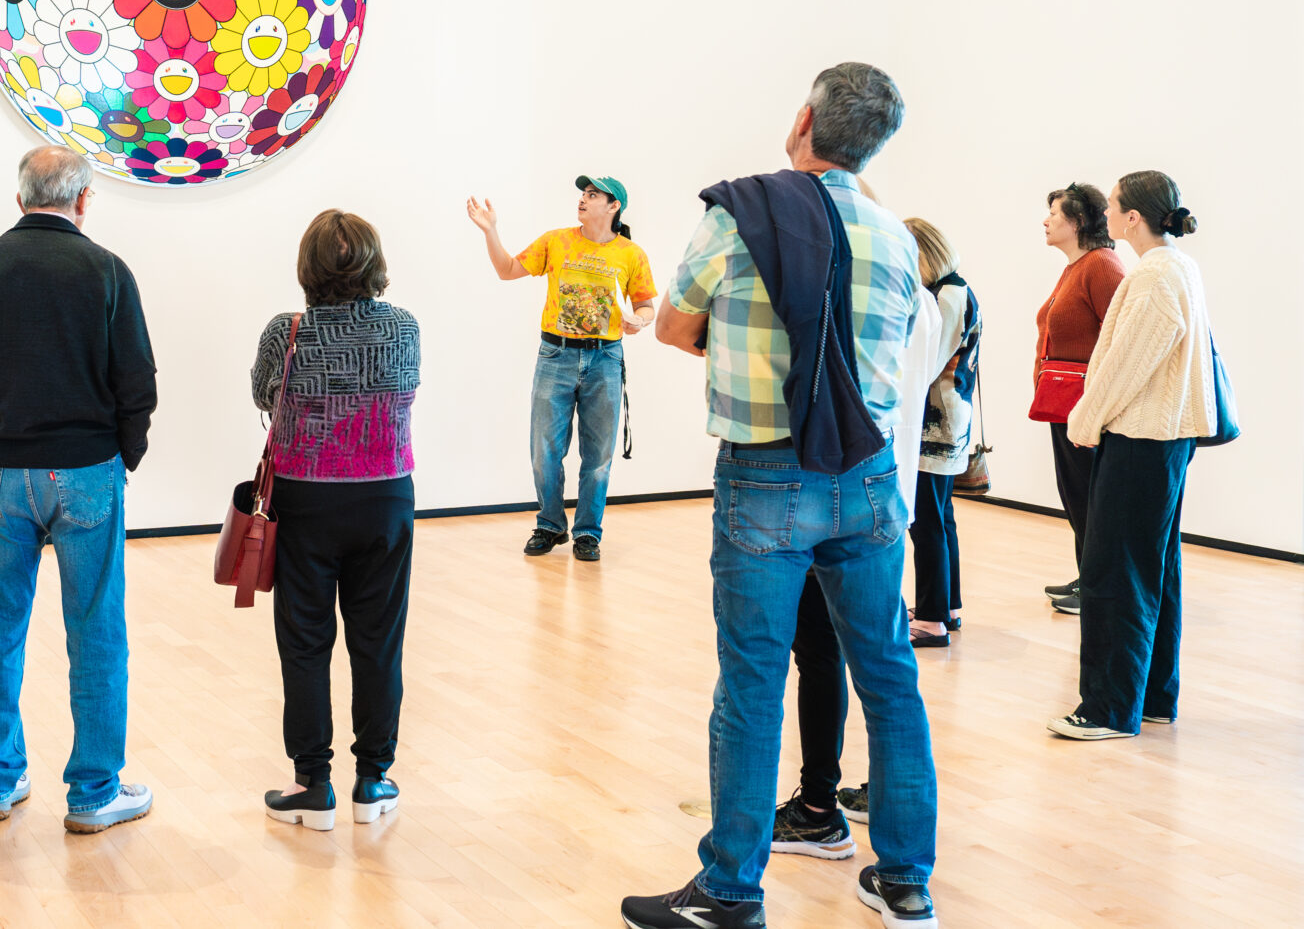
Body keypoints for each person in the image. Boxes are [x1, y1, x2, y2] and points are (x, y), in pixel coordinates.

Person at [623, 63, 940, 929]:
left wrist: (741, 344)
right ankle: (905, 879)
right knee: (890, 674)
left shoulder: (739, 214)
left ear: (803, 119)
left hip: (765, 474)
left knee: (753, 680)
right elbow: (891, 346)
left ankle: (730, 889)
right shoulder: (896, 237)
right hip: (869, 480)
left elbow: (673, 323)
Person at [0, 146, 158, 832]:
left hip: (4, 473)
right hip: (88, 471)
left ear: (21, 197)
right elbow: (137, 384)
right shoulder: (106, 270)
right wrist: (123, 456)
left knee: (0, 624)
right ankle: (93, 792)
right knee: (96, 630)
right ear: (83, 200)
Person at [775, 191, 949, 855]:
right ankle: (882, 814)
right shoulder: (922, 302)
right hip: (887, 494)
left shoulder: (853, 291)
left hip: (836, 490)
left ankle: (820, 806)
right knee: (883, 665)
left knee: (822, 653)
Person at [252, 210, 421, 831]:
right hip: (385, 498)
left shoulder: (287, 330)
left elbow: (262, 394)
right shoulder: (403, 326)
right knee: (378, 641)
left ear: (309, 267)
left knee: (305, 642)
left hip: (306, 501)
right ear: (374, 263)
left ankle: (312, 783)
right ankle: (373, 779)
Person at [1048, 171, 1213, 741]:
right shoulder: (1178, 268)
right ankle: (1152, 698)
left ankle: (1107, 710)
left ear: (1133, 218)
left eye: (1114, 205)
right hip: (1163, 441)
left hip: (1141, 438)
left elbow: (1127, 364)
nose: (1107, 213)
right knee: (1153, 569)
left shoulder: (1154, 275)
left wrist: (1085, 419)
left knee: (1113, 572)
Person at [465, 176, 657, 561]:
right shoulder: (556, 241)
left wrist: (639, 320)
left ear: (614, 206)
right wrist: (490, 231)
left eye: (593, 195)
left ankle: (588, 532)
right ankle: (550, 524)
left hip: (605, 359)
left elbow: (646, 305)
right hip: (556, 356)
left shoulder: (631, 254)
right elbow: (508, 270)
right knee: (544, 452)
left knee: (598, 457)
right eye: (583, 194)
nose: (583, 199)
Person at [1035, 183, 1125, 614]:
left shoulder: (1101, 265)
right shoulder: (1076, 267)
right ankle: (1088, 577)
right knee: (1076, 495)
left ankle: (1099, 588)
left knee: (1091, 498)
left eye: (1054, 213)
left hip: (1086, 407)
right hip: (1065, 403)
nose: (1046, 220)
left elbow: (1122, 339)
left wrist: (1099, 404)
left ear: (1078, 222)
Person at [905, 219, 981, 647]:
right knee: (940, 517)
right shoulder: (954, 290)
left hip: (937, 422)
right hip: (948, 419)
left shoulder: (949, 296)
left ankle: (932, 620)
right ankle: (946, 607)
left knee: (927, 522)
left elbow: (928, 364)